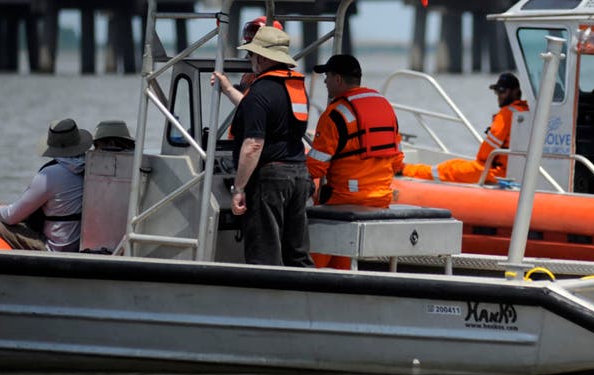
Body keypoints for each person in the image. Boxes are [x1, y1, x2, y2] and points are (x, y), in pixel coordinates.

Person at [222, 25, 314, 267]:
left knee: (264, 252)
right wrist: (230, 90)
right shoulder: (297, 88)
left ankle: (266, 302)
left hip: (271, 179)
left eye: (251, 55)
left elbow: (253, 145)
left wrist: (239, 188)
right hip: (299, 175)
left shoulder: (260, 92)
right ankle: (305, 297)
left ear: (262, 58)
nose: (250, 60)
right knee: (297, 252)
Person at [0, 118, 90, 251]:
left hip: (52, 247)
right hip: (78, 245)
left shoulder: (50, 174)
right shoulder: (90, 169)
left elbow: (12, 216)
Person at [307, 54, 403, 208]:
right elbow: (397, 161)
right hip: (382, 199)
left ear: (338, 79)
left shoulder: (334, 114)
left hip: (344, 199)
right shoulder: (385, 108)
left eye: (327, 76)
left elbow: (315, 168)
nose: (325, 81)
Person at [400, 72, 529, 184]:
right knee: (454, 164)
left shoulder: (506, 113)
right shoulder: (525, 111)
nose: (499, 95)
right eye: (497, 91)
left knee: (449, 169)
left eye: (502, 91)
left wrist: (482, 160)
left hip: (498, 172)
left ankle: (406, 170)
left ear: (515, 92)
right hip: (511, 170)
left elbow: (486, 152)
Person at [213, 16, 286, 107]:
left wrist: (228, 89)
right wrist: (226, 85)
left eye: (252, 52)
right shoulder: (251, 73)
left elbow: (254, 108)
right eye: (249, 52)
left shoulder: (275, 82)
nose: (250, 57)